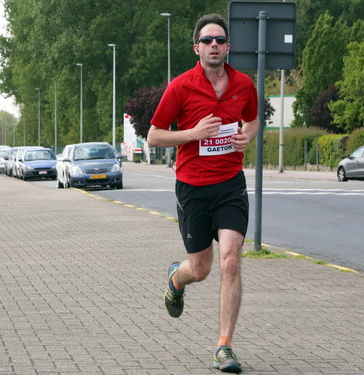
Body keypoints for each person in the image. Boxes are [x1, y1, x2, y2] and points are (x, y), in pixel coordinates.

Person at [147, 13, 259, 374]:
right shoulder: (181, 87)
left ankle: (224, 347)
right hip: (193, 188)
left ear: (228, 47)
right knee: (201, 268)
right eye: (208, 40)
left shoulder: (244, 85)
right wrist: (193, 133)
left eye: (221, 40)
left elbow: (254, 119)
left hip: (230, 183)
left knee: (230, 260)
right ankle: (175, 279)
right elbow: (154, 135)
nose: (215, 45)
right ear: (197, 48)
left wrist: (247, 135)